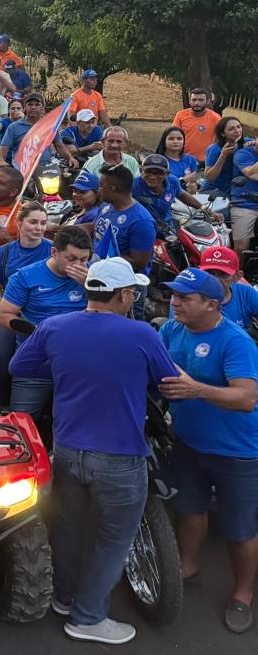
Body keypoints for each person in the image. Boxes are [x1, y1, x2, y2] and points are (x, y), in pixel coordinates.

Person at [9, 257, 178, 645]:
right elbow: (168, 382)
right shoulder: (142, 335)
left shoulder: (54, 327)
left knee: (67, 528)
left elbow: (21, 365)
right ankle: (87, 618)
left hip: (68, 450)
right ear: (122, 295)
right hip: (119, 457)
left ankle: (64, 598)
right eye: (132, 292)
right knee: (113, 539)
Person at [156, 268, 258, 633]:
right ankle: (187, 565)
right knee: (189, 510)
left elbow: (246, 398)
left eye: (185, 298)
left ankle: (243, 594)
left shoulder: (235, 342)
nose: (175, 302)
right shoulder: (170, 331)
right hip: (187, 442)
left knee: (239, 528)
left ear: (212, 305)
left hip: (237, 452)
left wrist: (198, 390)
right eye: (174, 295)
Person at [0, 225, 92, 417]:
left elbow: (112, 315)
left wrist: (91, 287)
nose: (78, 265)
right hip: (37, 361)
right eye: (71, 259)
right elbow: (4, 315)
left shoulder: (94, 275)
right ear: (54, 252)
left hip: (78, 365)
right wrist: (37, 332)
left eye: (83, 259)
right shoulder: (25, 277)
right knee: (21, 424)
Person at [91, 164, 156, 319]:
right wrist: (62, 228)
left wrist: (101, 258)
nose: (99, 189)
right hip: (102, 277)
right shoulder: (107, 206)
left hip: (126, 287)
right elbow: (96, 226)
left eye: (101, 186)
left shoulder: (141, 222)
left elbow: (139, 262)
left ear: (112, 188)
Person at [197, 246, 258, 332]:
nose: (215, 279)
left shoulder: (246, 293)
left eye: (222, 274)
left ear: (237, 276)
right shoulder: (188, 297)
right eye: (209, 273)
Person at [173, 88, 221, 163]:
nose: (196, 103)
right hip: (183, 160)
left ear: (207, 101)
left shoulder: (216, 118)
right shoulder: (180, 115)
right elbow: (173, 136)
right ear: (189, 101)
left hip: (206, 162)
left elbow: (220, 140)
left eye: (201, 100)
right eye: (194, 100)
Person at [204, 116, 245, 194]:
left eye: (238, 127)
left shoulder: (246, 143)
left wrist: (254, 144)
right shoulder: (214, 149)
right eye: (231, 129)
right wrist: (223, 155)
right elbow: (209, 177)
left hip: (235, 192)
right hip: (214, 191)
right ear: (222, 134)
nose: (237, 131)